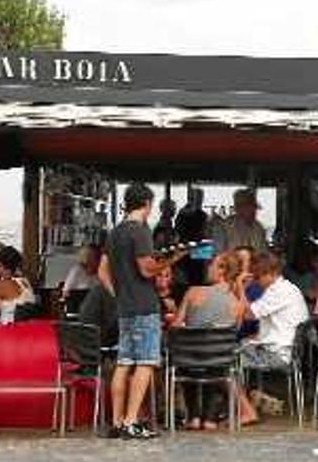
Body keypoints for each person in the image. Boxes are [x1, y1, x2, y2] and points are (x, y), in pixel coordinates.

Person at [98, 182, 186, 440]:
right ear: (147, 204)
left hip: (125, 307)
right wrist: (173, 259)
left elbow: (102, 271)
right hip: (145, 306)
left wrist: (118, 293)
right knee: (146, 362)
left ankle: (116, 421)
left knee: (124, 363)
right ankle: (131, 421)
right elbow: (147, 269)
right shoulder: (140, 232)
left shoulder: (114, 233)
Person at [173, 252, 256, 430]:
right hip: (218, 363)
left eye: (212, 264)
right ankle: (210, 419)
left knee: (192, 354)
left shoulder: (193, 292)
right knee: (217, 358)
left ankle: (194, 417)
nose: (208, 267)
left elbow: (176, 326)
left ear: (222, 270)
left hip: (188, 361)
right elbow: (233, 334)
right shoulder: (237, 304)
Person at [239, 251, 309, 370]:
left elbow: (248, 315)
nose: (255, 281)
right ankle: (250, 388)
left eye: (257, 277)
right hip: (289, 350)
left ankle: (241, 389)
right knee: (244, 342)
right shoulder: (289, 287)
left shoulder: (277, 292)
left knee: (227, 358)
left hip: (277, 354)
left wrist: (240, 286)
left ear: (271, 273)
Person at [211, 189, 267, 253]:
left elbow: (263, 253)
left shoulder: (259, 228)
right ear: (238, 209)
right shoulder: (222, 228)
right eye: (249, 207)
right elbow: (219, 256)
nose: (253, 211)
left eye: (254, 208)